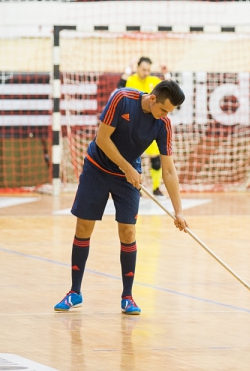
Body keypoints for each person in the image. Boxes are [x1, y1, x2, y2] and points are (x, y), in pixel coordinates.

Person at [54, 80, 188, 315]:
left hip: (128, 176)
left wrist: (179, 211)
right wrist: (127, 168)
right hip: (97, 168)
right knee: (84, 227)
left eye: (170, 113)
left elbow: (168, 170)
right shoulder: (122, 98)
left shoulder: (163, 124)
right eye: (164, 110)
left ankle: (128, 296)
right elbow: (102, 139)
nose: (165, 116)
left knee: (128, 232)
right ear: (153, 98)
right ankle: (75, 292)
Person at [118, 57, 167, 197]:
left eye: (148, 70)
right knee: (131, 160)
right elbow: (118, 91)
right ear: (138, 68)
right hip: (132, 128)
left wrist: (166, 74)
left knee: (156, 161)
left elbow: (171, 92)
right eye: (143, 69)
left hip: (149, 128)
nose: (146, 72)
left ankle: (156, 188)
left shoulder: (154, 82)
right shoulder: (131, 80)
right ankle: (133, 187)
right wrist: (127, 69)